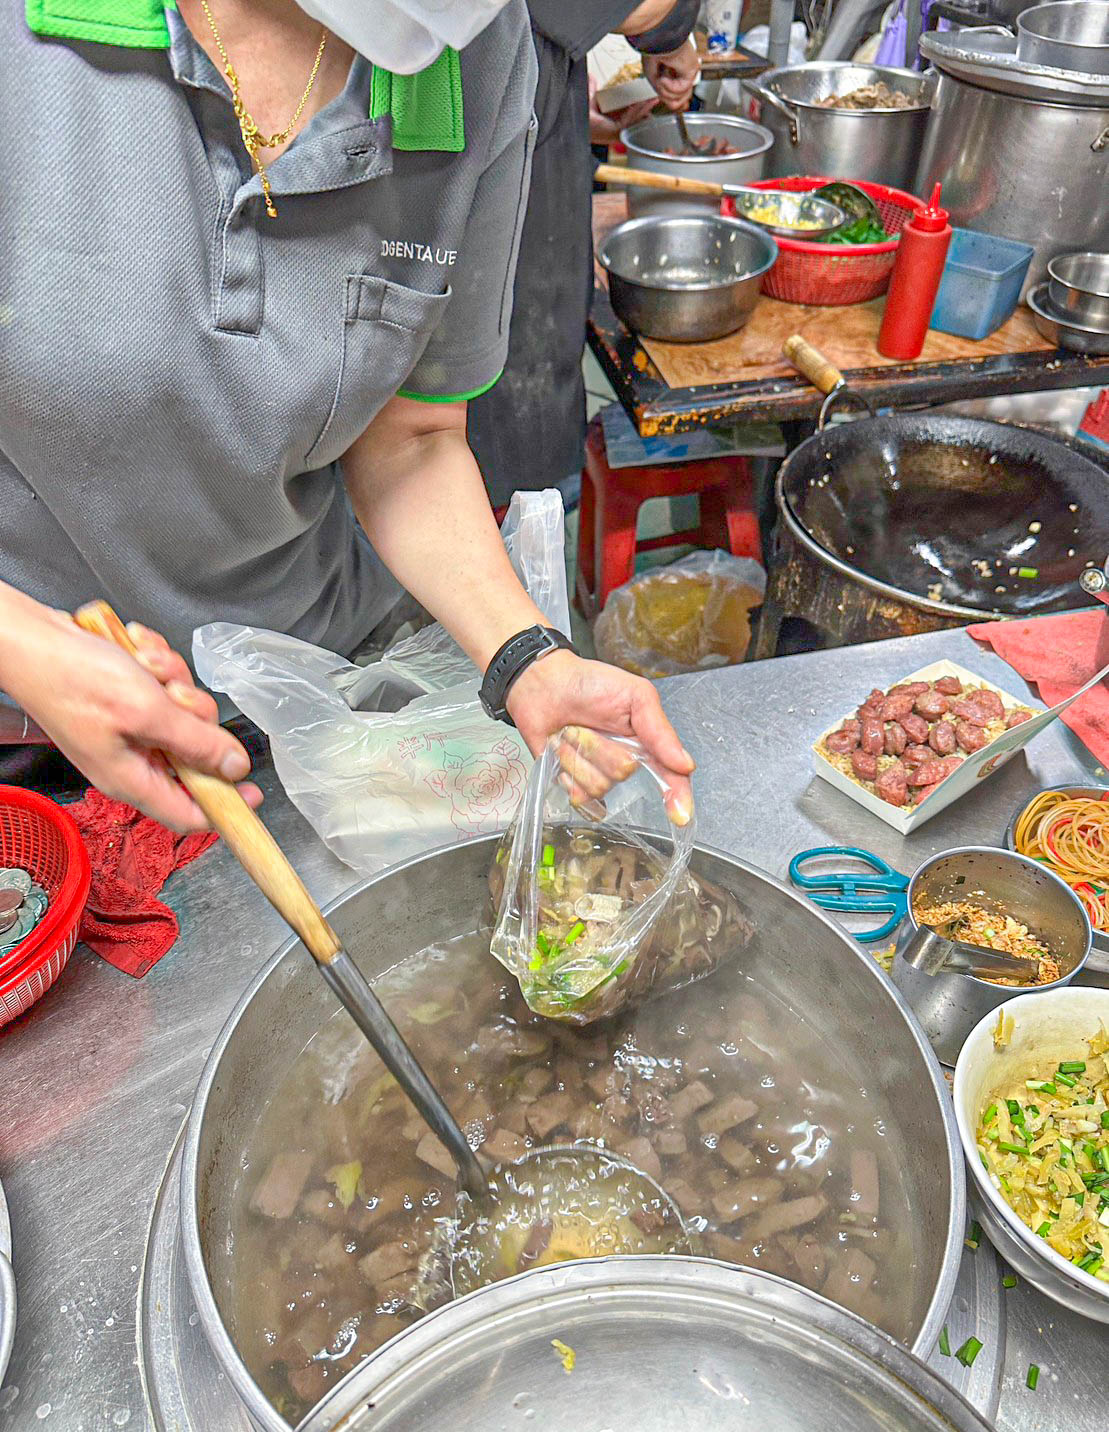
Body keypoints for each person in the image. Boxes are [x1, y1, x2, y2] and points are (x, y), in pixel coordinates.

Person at [0, 0, 693, 834]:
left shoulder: (477, 47)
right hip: (26, 737)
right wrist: (29, 647)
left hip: (296, 704)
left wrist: (526, 656)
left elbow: (411, 442)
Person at [466, 0, 700, 508]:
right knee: (493, 443)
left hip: (498, 103)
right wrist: (671, 32)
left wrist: (564, 92)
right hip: (493, 194)